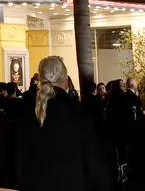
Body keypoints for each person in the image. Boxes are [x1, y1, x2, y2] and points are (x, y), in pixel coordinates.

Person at [13, 56, 109, 191]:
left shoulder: (29, 113)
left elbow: (20, 164)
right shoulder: (77, 112)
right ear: (64, 78)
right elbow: (93, 162)